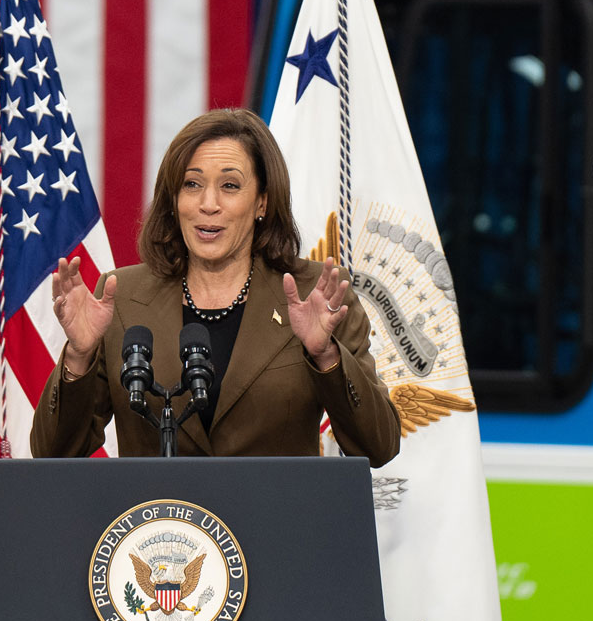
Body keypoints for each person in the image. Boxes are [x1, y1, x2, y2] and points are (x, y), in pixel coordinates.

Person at [30, 108, 400, 465]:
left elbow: (378, 446)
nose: (209, 204)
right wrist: (79, 356)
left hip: (276, 525)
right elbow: (54, 455)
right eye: (192, 184)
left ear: (262, 202)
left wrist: (326, 357)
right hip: (160, 525)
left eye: (230, 185)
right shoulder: (122, 296)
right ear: (174, 201)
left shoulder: (311, 293)